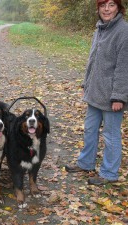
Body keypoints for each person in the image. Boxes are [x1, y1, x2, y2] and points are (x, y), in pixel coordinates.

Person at [65, 0, 128, 185]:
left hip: (112, 97)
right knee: (90, 130)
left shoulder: (123, 32)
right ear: (98, 9)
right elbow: (93, 60)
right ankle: (86, 163)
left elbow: (124, 68)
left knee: (111, 135)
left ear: (118, 7)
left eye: (111, 5)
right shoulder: (99, 29)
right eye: (102, 6)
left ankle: (109, 173)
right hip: (95, 92)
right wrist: (86, 83)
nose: (106, 9)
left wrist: (119, 96)